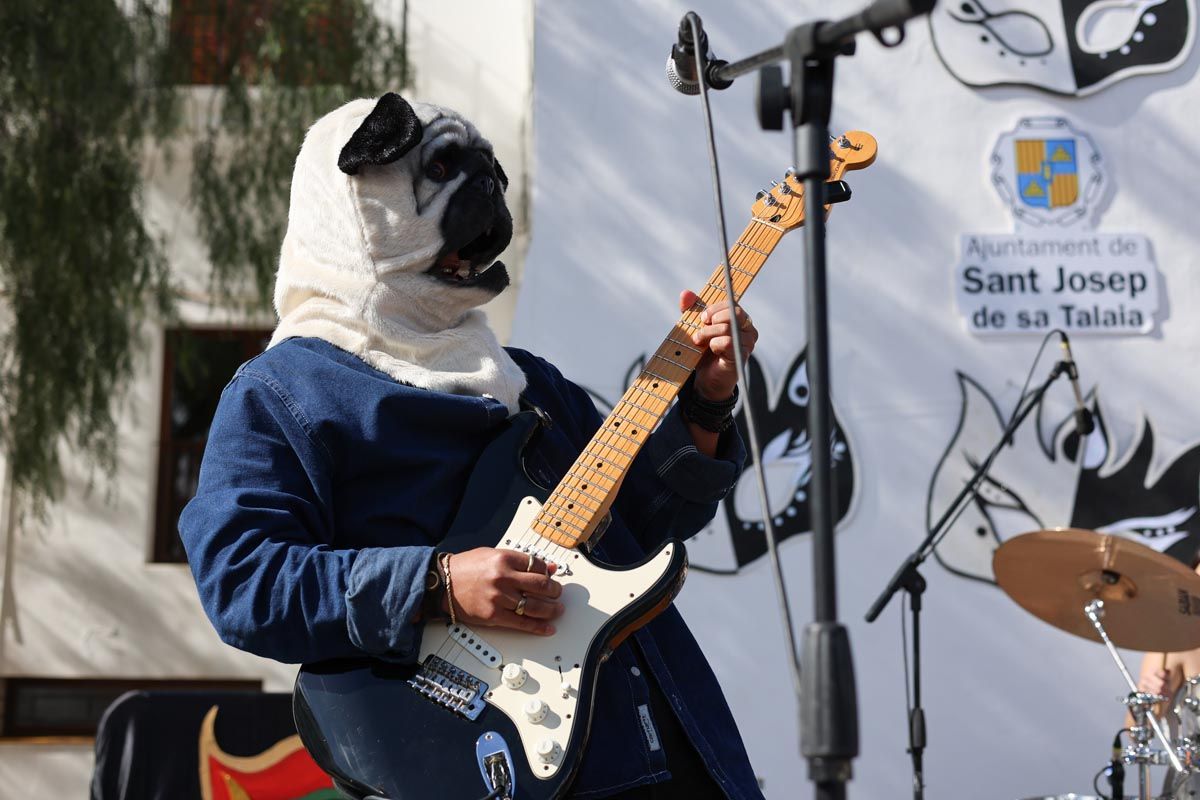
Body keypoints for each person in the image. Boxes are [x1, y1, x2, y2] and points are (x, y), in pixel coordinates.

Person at [179, 93, 766, 799]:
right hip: (481, 764)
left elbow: (643, 524)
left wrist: (704, 398)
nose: (483, 190)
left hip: (668, 744)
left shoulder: (528, 382)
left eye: (489, 172)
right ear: (350, 200)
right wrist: (438, 584)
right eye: (443, 167)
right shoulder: (282, 391)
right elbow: (242, 581)